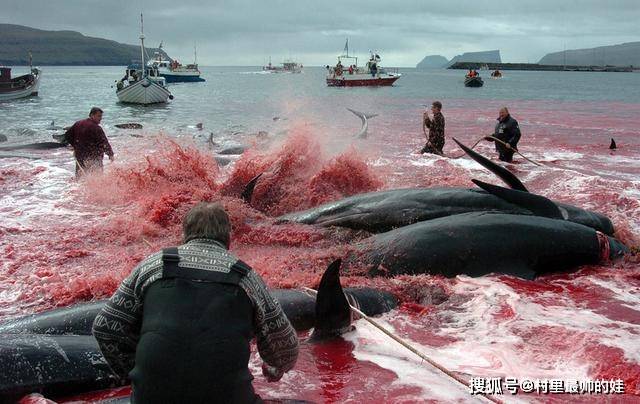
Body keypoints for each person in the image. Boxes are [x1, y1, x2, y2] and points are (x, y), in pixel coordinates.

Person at [92, 202, 299, 403]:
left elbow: (104, 327)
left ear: (185, 234)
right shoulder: (246, 277)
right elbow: (287, 347)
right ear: (228, 239)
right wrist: (275, 368)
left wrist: (131, 368)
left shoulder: (153, 266)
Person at [63, 107, 113, 178]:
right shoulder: (96, 128)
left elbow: (67, 136)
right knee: (97, 179)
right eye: (99, 116)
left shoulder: (78, 123)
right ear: (92, 115)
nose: (101, 118)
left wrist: (74, 146)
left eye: (101, 116)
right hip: (94, 157)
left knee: (80, 178)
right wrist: (110, 154)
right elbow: (104, 143)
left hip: (80, 156)